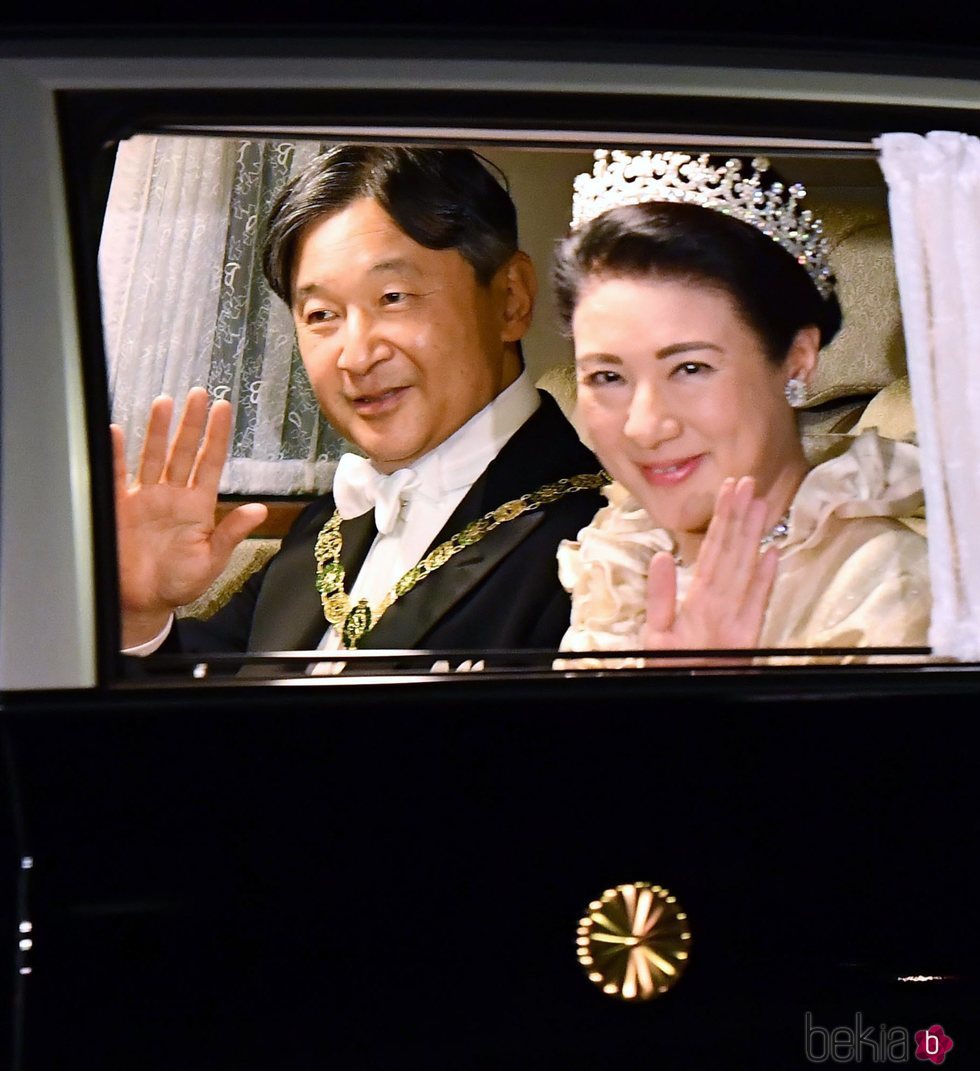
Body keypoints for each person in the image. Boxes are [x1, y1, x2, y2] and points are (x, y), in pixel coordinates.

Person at [114, 145, 607, 672]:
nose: (356, 355)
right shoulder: (322, 531)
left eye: (393, 297)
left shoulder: (605, 542)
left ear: (510, 299)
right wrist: (141, 618)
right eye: (322, 313)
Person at [550, 149, 930, 665]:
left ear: (796, 359)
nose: (644, 427)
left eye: (690, 369)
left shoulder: (892, 588)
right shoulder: (621, 555)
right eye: (608, 377)